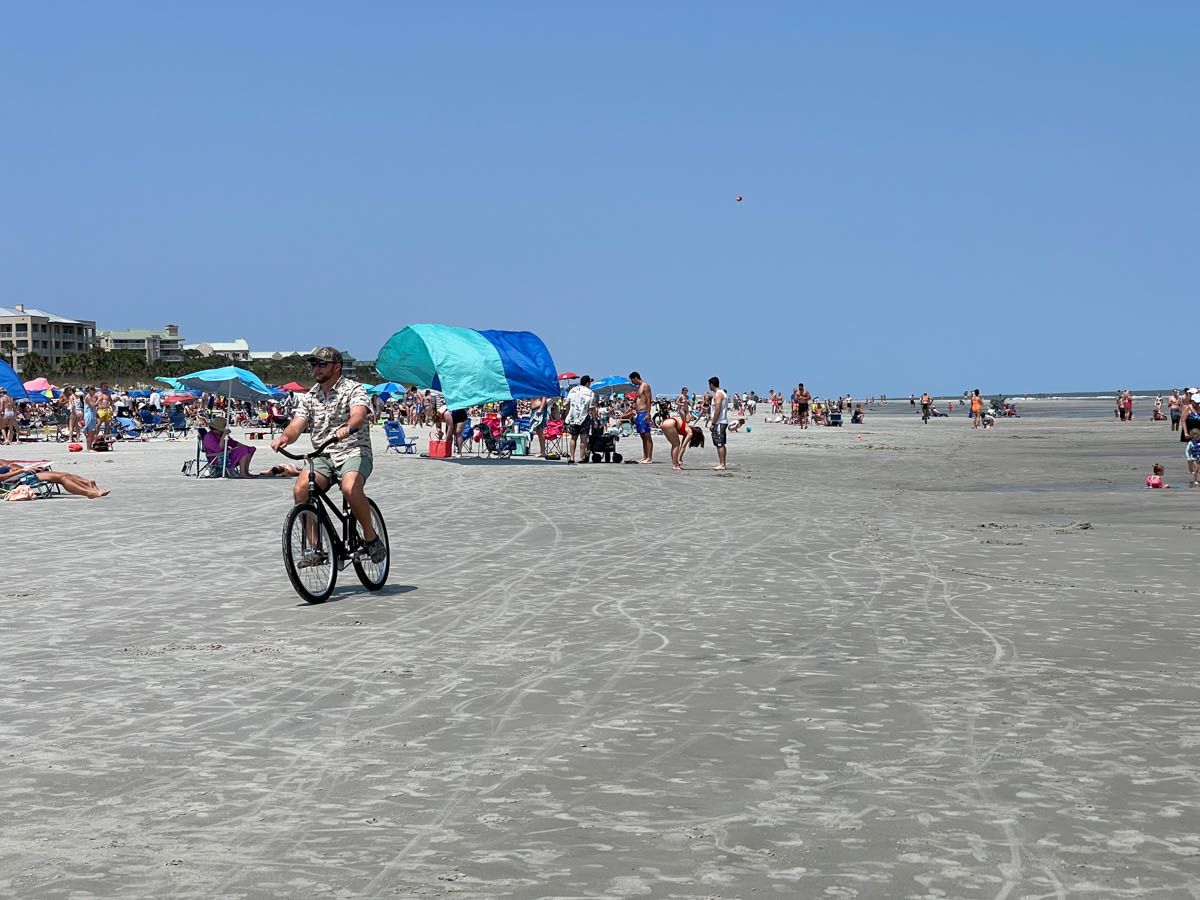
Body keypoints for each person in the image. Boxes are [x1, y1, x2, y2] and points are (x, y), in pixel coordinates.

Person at [271, 347, 385, 565]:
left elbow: (359, 414)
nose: (316, 368)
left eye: (322, 364)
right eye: (314, 364)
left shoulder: (353, 389)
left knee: (350, 488)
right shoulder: (310, 396)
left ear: (336, 367)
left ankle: (371, 538)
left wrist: (348, 427)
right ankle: (316, 549)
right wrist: (284, 438)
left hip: (354, 450)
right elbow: (297, 424)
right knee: (301, 490)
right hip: (323, 455)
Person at [0, 459, 110, 498]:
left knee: (65, 474)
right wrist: (21, 471)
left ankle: (89, 486)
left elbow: (8, 463)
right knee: (61, 477)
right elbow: (1, 478)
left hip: (21, 474)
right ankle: (89, 493)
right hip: (14, 481)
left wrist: (29, 468)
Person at [564, 375, 594, 465]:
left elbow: (567, 405)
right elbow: (592, 407)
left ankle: (572, 457)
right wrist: (595, 419)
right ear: (587, 383)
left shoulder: (572, 390)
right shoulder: (590, 392)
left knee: (573, 438)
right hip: (584, 417)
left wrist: (566, 416)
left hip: (573, 417)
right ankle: (581, 458)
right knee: (583, 438)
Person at [626, 372, 654, 464]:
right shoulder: (639, 388)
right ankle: (645, 456)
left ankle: (649, 457)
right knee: (642, 436)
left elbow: (649, 400)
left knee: (647, 435)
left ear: (636, 378)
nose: (632, 382)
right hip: (638, 413)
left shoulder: (645, 386)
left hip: (644, 412)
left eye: (632, 380)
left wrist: (648, 413)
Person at [709, 376, 728, 470]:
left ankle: (722, 464)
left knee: (719, 443)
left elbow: (717, 410)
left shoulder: (718, 394)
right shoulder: (721, 393)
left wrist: (713, 423)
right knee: (720, 443)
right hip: (721, 421)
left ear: (711, 384)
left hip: (720, 422)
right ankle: (722, 463)